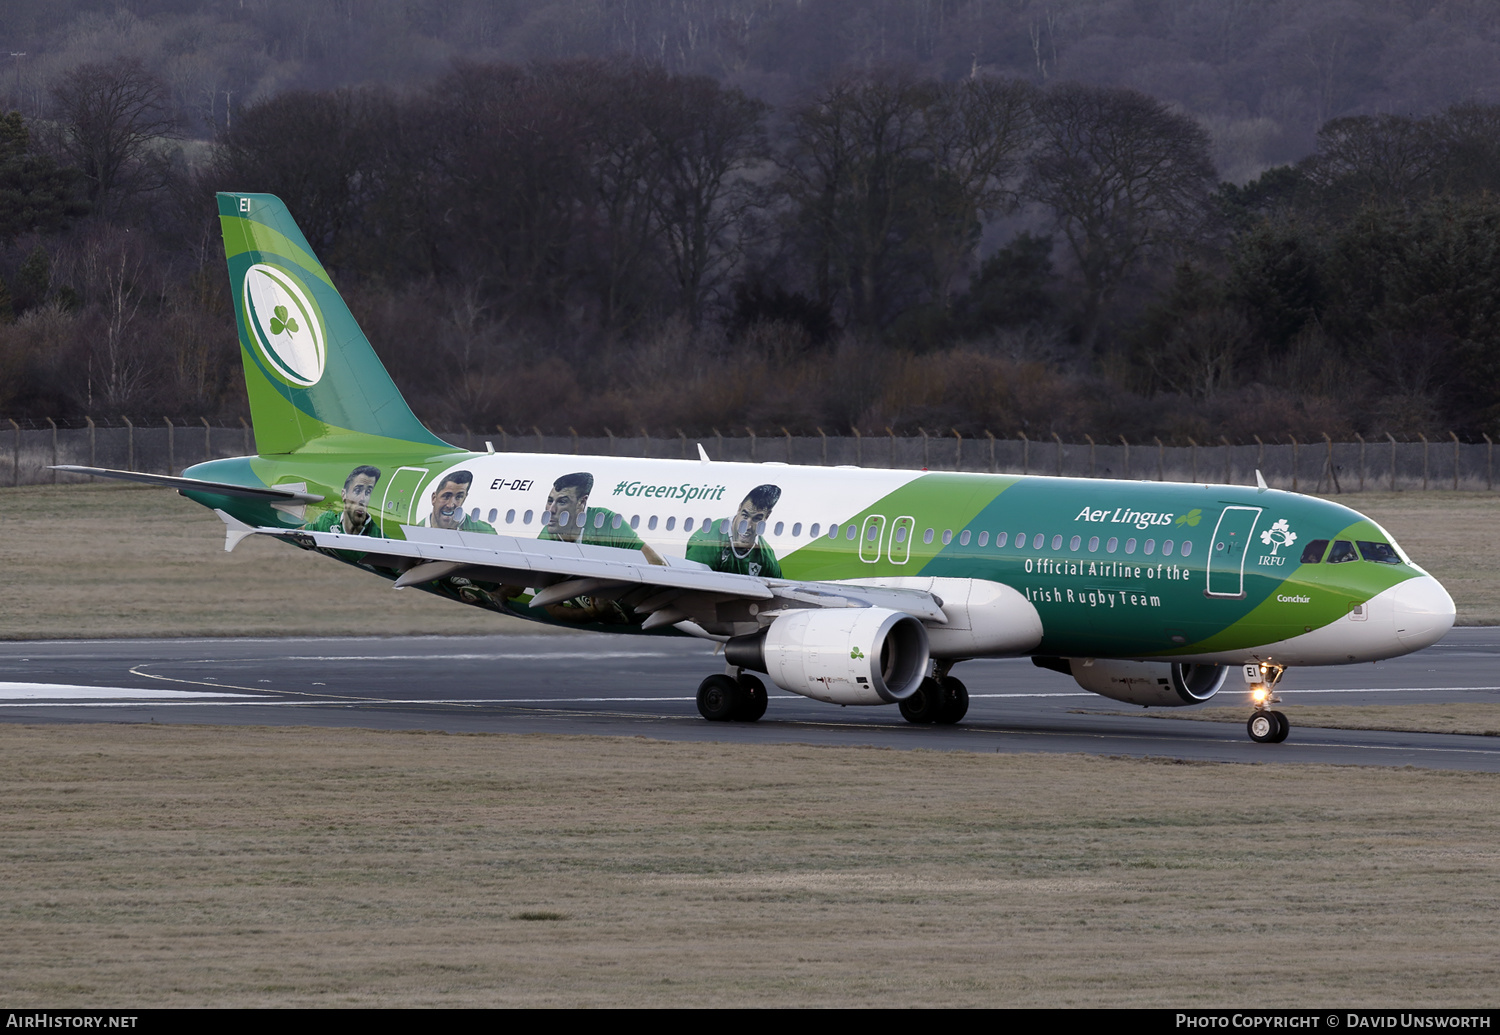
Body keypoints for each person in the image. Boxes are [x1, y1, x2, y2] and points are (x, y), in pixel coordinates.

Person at [532, 471, 664, 624]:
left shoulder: (607, 523)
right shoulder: (546, 540)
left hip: (641, 614)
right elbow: (552, 607)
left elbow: (657, 565)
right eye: (550, 501)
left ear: (582, 503)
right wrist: (593, 613)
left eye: (562, 502)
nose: (551, 510)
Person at [686, 483, 783, 578]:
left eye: (756, 519)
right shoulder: (707, 542)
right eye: (745, 516)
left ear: (767, 517)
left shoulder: (765, 555)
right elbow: (690, 585)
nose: (747, 526)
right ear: (739, 508)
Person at [302, 465, 382, 536]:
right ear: (344, 494)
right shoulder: (327, 521)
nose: (363, 499)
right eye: (357, 490)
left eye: (368, 492)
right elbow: (297, 534)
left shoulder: (378, 535)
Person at [420, 469, 496, 533]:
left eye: (459, 497)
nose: (450, 505)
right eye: (446, 496)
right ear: (434, 498)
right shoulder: (414, 529)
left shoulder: (486, 532)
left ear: (464, 498)